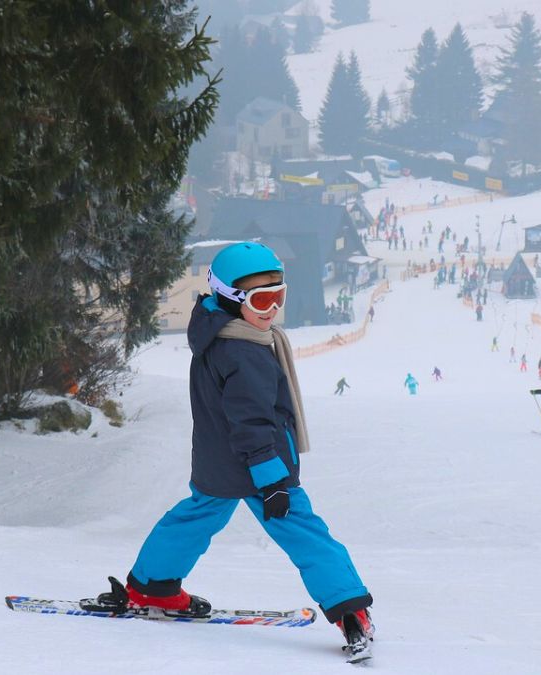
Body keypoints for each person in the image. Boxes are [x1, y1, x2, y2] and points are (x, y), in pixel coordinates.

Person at [84, 242, 374, 652]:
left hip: (217, 461)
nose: (272, 309)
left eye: (279, 295)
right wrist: (271, 480)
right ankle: (349, 607)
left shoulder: (214, 332)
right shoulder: (244, 351)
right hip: (260, 465)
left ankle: (153, 587)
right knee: (305, 533)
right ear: (231, 297)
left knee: (193, 519)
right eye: (262, 299)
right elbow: (253, 422)